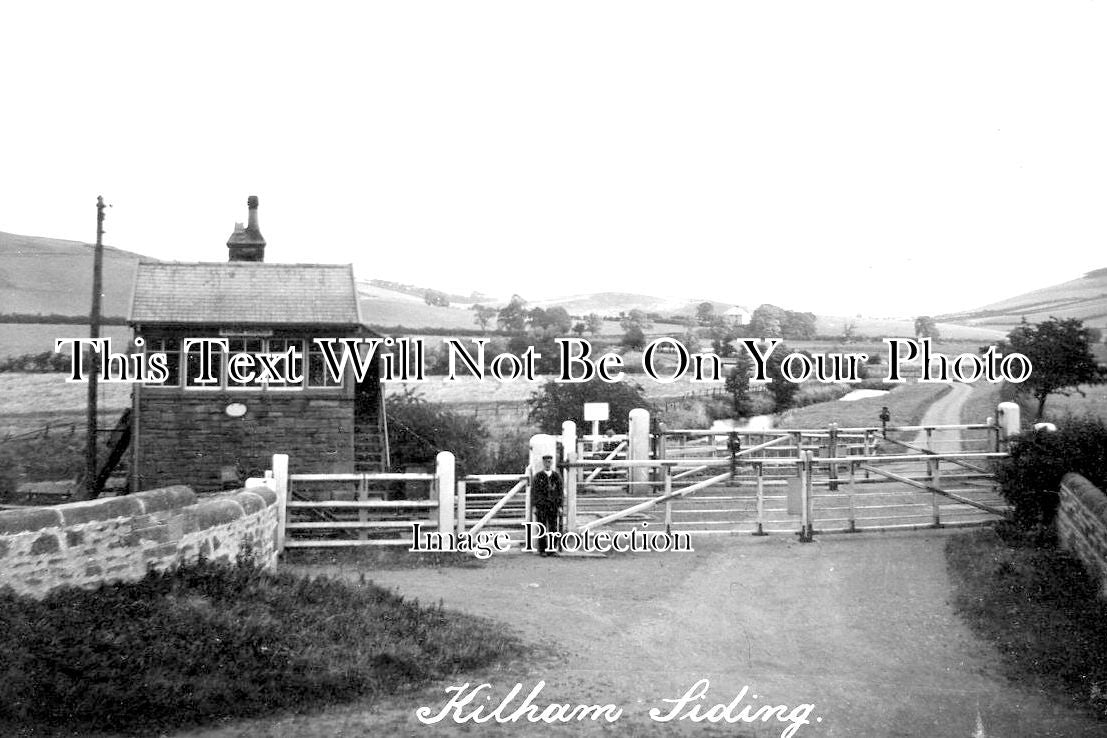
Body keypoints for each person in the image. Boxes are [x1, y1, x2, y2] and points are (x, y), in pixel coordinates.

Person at [531, 454, 563, 557]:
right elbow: (534, 492)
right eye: (546, 462)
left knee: (553, 528)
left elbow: (560, 492)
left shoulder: (556, 476)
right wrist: (535, 505)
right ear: (543, 463)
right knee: (542, 527)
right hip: (542, 506)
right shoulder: (538, 476)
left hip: (553, 506)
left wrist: (560, 505)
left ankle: (552, 549)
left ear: (552, 463)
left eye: (549, 462)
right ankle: (542, 550)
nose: (548, 464)